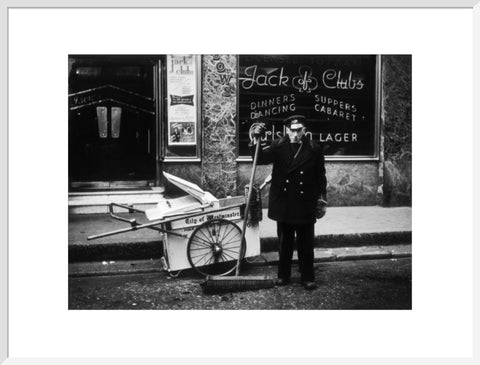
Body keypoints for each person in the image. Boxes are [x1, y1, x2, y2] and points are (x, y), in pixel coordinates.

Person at [251, 115, 327, 290]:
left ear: (304, 130)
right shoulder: (278, 145)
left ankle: (307, 276)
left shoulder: (314, 148)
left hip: (305, 201)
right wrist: (256, 139)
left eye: (298, 130)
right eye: (292, 130)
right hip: (284, 202)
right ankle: (283, 275)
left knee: (305, 242)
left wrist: (322, 198)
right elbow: (259, 158)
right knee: (284, 242)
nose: (295, 133)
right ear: (286, 130)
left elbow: (320, 176)